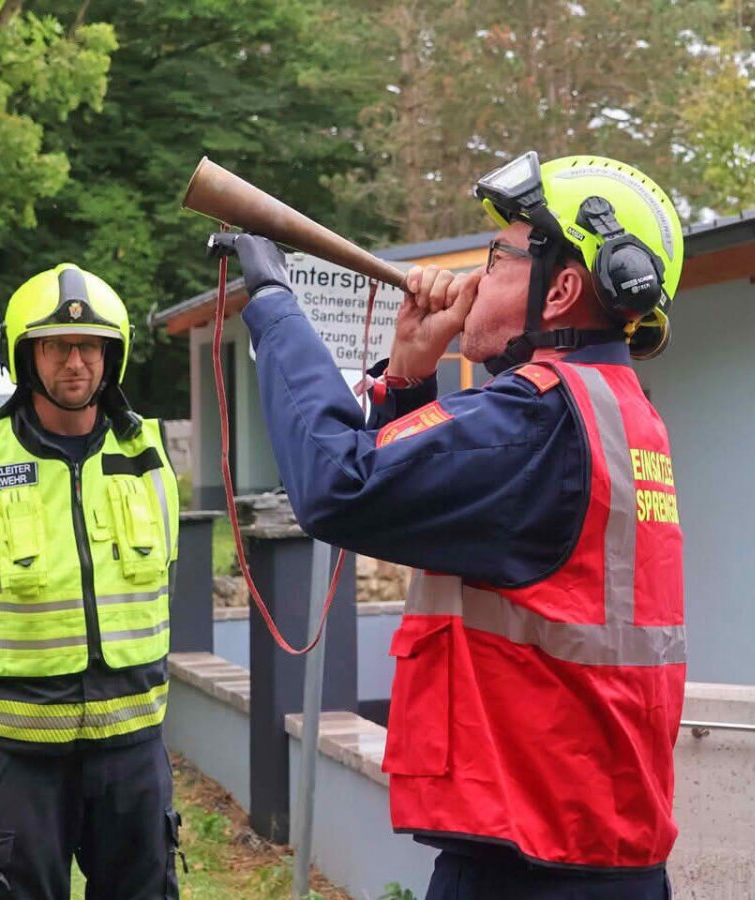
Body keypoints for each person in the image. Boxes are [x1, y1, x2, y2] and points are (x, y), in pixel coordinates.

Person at [225, 152, 686, 899]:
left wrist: (276, 304)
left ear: (561, 290)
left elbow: (339, 486)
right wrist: (408, 377)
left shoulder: (537, 416)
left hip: (533, 870)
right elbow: (446, 508)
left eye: (497, 259)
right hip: (586, 849)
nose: (472, 279)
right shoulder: (613, 410)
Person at [0, 265, 181, 899]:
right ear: (25, 356)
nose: (75, 362)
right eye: (56, 346)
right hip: (21, 758)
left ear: (112, 355)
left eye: (90, 346)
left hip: (134, 750)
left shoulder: (149, 457)